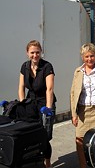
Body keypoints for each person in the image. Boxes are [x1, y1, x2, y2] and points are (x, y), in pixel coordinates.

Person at [18, 40, 55, 168]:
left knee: (44, 136)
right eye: (32, 52)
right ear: (27, 53)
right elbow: (21, 87)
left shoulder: (47, 66)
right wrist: (22, 105)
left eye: (37, 52)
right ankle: (35, 161)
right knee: (31, 135)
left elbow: (49, 89)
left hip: (45, 103)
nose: (35, 55)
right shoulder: (25, 66)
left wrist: (49, 109)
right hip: (30, 103)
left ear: (41, 52)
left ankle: (47, 163)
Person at [70, 43, 95, 168]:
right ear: (82, 57)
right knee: (79, 140)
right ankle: (83, 165)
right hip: (82, 111)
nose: (89, 59)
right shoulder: (78, 71)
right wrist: (73, 114)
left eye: (92, 56)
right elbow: (73, 93)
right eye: (86, 57)